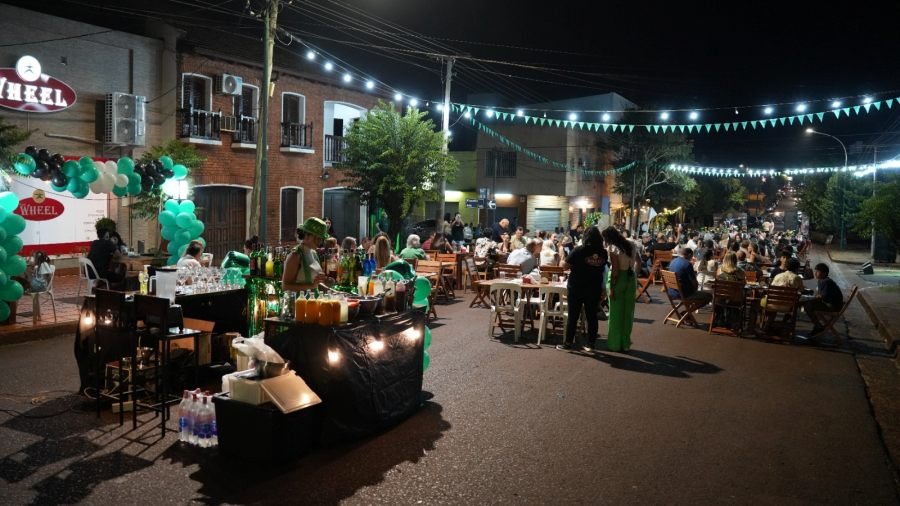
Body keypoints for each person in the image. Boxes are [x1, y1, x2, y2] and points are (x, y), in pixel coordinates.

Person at [558, 226, 607, 351]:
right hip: (594, 287)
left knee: (573, 315)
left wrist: (562, 256)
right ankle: (591, 343)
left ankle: (568, 343)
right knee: (592, 316)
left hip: (577, 286)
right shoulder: (603, 253)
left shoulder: (579, 250)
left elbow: (564, 266)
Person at [602, 226, 640, 352]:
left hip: (618, 280)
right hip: (631, 278)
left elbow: (616, 270)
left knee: (615, 313)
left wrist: (612, 287)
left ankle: (615, 344)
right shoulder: (632, 244)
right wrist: (636, 275)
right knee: (628, 312)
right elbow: (639, 261)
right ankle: (625, 343)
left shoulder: (613, 248)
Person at [282, 217, 332, 292]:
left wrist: (327, 284)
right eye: (318, 238)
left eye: (321, 239)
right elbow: (285, 286)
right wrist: (312, 286)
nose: (320, 242)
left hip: (314, 301)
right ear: (307, 235)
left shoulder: (314, 253)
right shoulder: (295, 255)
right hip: (300, 302)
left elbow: (316, 284)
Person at [802, 263, 843, 335]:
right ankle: (817, 326)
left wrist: (810, 298)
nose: (815, 273)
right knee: (809, 304)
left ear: (824, 273)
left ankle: (818, 326)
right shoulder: (821, 280)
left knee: (808, 305)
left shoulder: (826, 282)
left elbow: (822, 296)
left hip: (832, 306)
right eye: (816, 271)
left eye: (817, 271)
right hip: (830, 304)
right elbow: (819, 295)